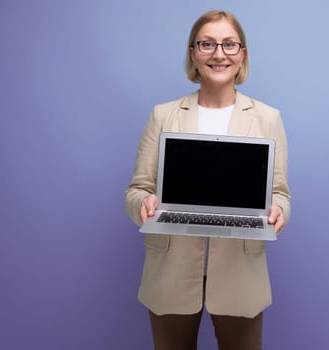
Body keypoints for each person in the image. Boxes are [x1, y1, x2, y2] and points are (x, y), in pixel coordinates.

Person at [125, 10, 291, 350]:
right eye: (208, 44)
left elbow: (280, 193)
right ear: (193, 53)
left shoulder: (267, 118)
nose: (219, 53)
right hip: (170, 272)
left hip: (240, 274)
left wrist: (279, 210)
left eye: (229, 44)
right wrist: (142, 203)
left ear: (242, 53)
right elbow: (137, 189)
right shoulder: (164, 115)